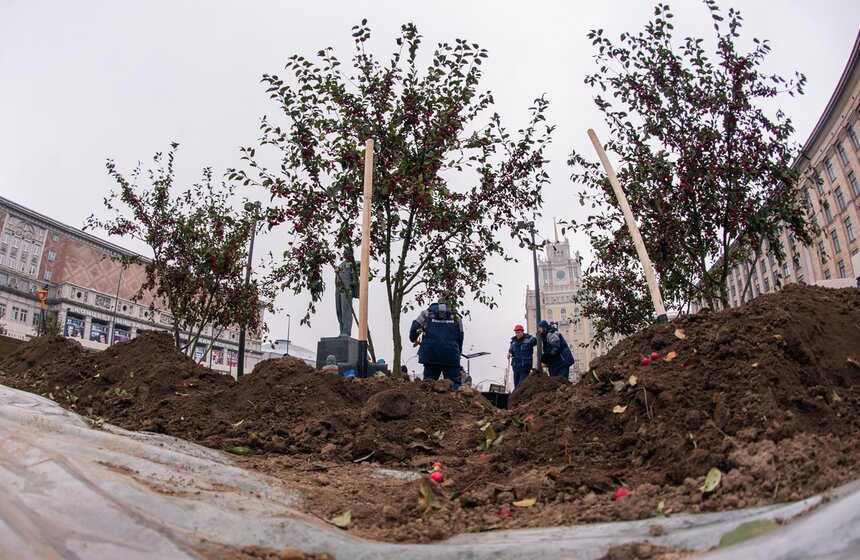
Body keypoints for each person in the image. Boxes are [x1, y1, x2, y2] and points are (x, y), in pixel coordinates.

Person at [408, 300, 464, 389]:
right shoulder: (457, 317)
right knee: (454, 385)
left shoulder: (426, 314)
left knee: (428, 384)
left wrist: (413, 338)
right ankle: (457, 401)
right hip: (451, 355)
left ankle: (427, 402)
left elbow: (415, 328)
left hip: (431, 354)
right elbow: (460, 336)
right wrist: (458, 352)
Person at [335, 247, 359, 337]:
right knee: (339, 310)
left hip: (347, 289)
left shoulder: (354, 264)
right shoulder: (341, 265)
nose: (344, 253)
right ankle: (341, 330)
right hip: (338, 289)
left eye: (346, 251)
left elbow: (363, 266)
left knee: (346, 310)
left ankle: (346, 331)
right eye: (344, 252)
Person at [508, 324, 538, 388]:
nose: (517, 334)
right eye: (516, 333)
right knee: (517, 385)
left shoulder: (529, 339)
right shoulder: (513, 342)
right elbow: (511, 350)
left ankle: (519, 397)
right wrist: (510, 354)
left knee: (521, 385)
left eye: (518, 332)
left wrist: (539, 335)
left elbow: (536, 341)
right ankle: (517, 397)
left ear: (522, 332)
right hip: (516, 367)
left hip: (525, 366)